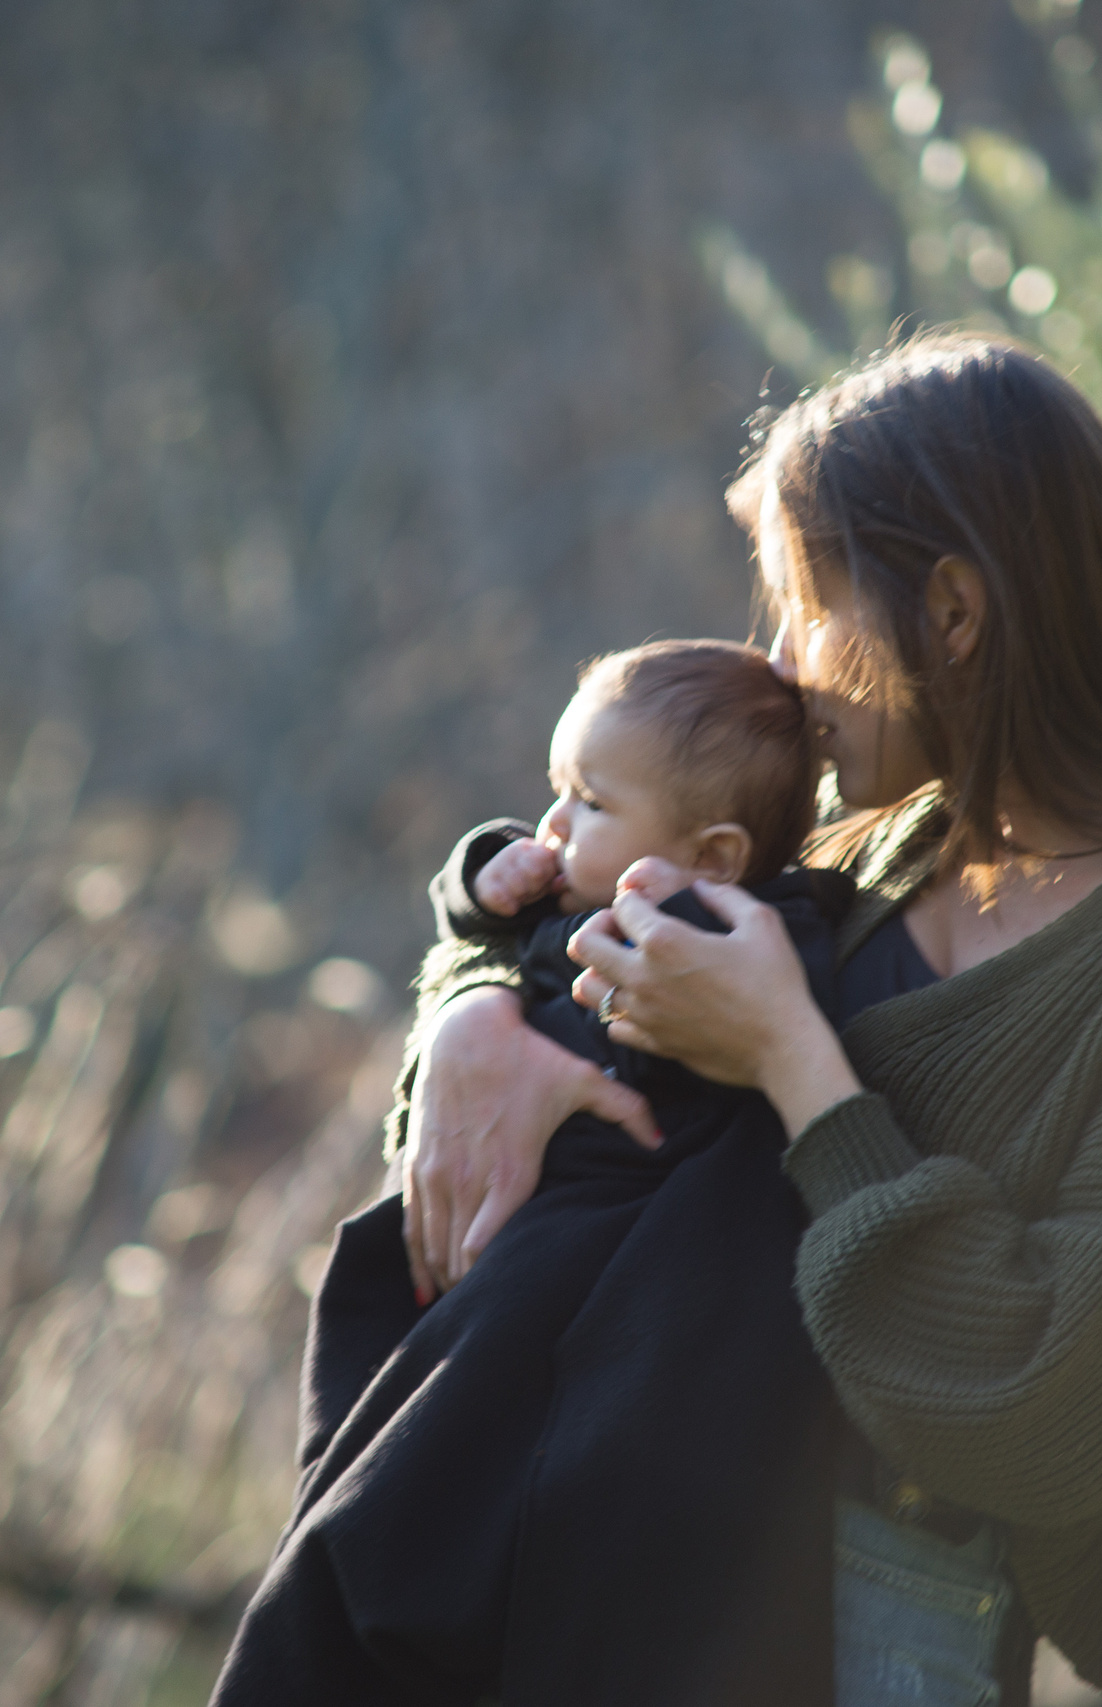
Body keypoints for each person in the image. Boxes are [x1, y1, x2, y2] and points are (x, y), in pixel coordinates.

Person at [393, 331, 1102, 1706]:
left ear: (957, 613)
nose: (785, 666)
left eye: (807, 605)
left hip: (870, 1628)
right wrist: (472, 1008)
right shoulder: (872, 854)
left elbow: (1058, 1406)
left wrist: (795, 1063)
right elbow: (558, 1002)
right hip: (595, 1552)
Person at [211, 640, 859, 1707]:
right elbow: (486, 930)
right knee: (367, 1483)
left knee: (395, 1521)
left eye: (589, 803)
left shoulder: (713, 940)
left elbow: (613, 999)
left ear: (717, 855)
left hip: (578, 1278)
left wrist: (525, 944)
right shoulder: (592, 891)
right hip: (510, 1250)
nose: (552, 827)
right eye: (556, 790)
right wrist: (484, 885)